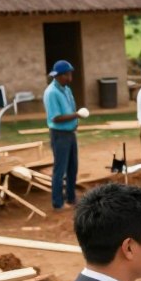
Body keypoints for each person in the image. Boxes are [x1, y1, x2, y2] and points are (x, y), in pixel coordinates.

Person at [43, 59, 86, 210]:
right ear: (59, 76)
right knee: (60, 169)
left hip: (69, 133)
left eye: (70, 74)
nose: (70, 78)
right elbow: (55, 117)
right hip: (59, 134)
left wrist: (75, 120)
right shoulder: (51, 93)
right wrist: (76, 115)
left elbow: (70, 108)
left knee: (72, 167)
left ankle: (71, 198)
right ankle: (57, 202)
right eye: (67, 75)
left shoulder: (66, 89)